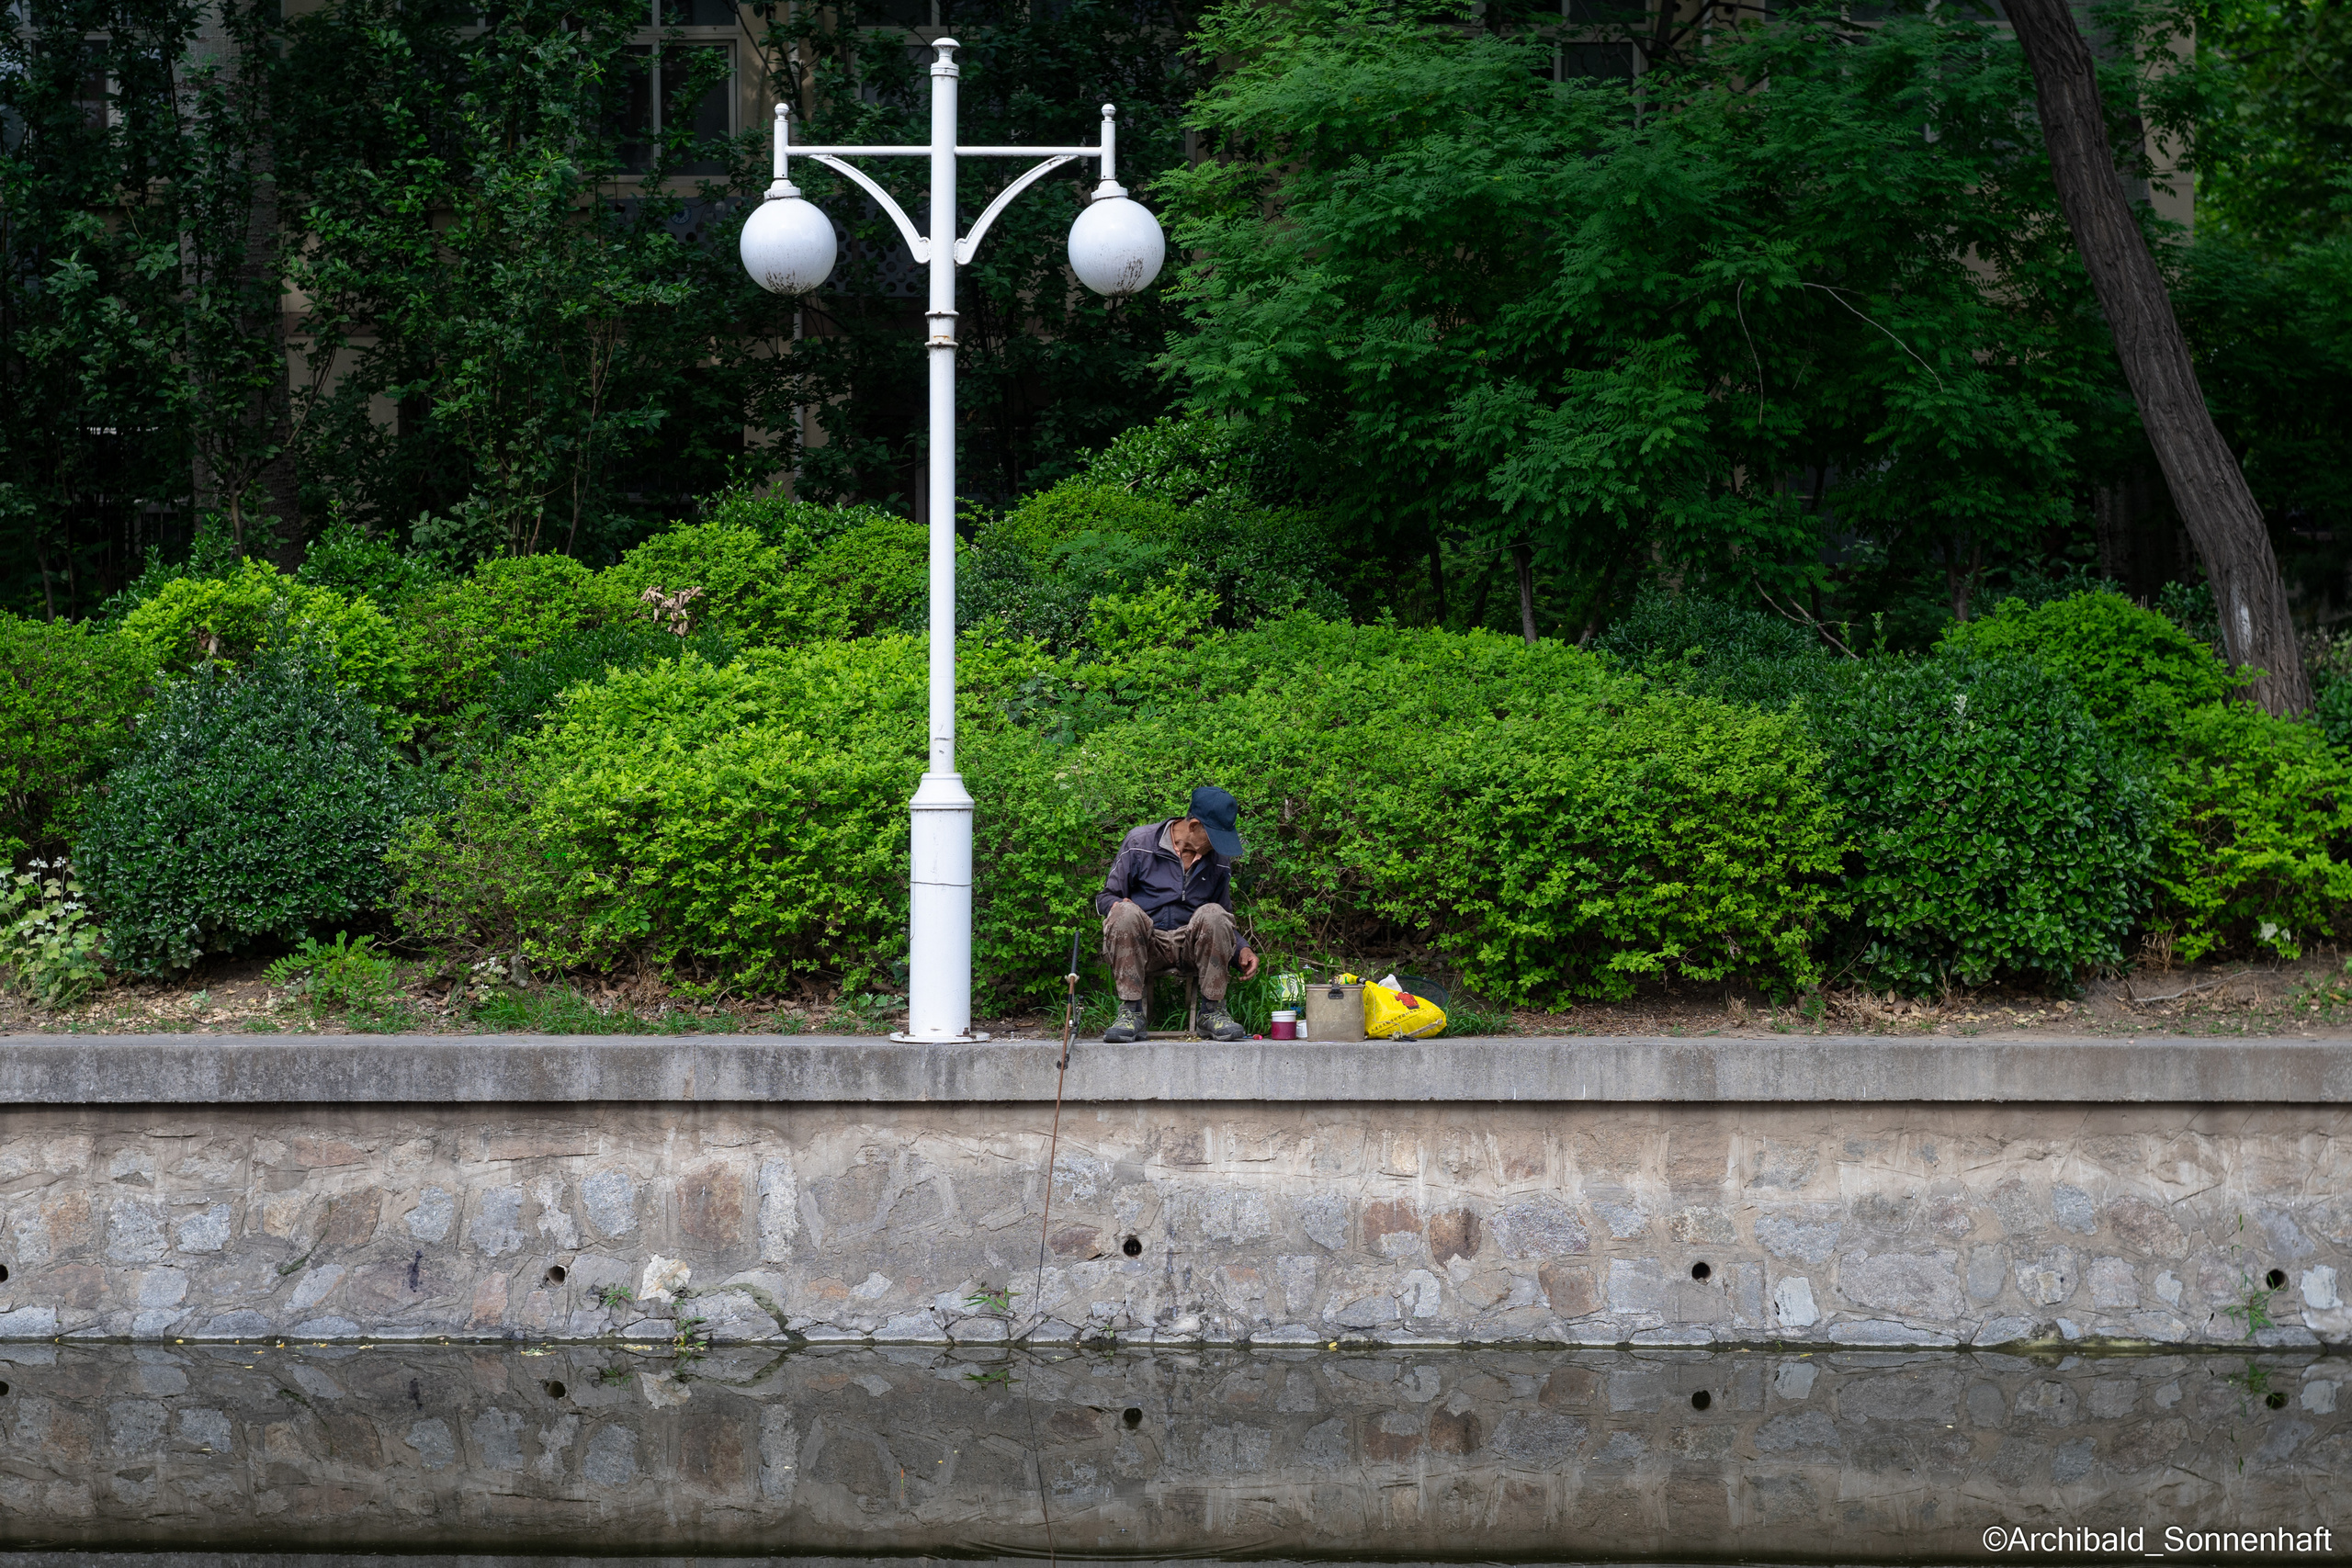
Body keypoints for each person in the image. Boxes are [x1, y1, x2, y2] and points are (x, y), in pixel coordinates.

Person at [1095, 784, 1260, 1042]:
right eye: (1214, 837)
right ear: (1193, 826)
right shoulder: (1140, 843)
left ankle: (1212, 1011)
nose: (1218, 846)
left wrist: (1242, 949)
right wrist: (1116, 907)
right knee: (1124, 912)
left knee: (1213, 914)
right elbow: (1105, 897)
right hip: (1148, 943)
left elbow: (1223, 916)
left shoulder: (1217, 859)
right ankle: (1130, 1012)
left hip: (1192, 946)